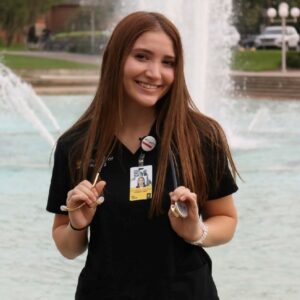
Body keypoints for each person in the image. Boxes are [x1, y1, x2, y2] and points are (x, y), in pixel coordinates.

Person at [47, 11, 238, 300]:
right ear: (116, 58)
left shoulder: (201, 136)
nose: (155, 73)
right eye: (142, 57)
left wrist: (196, 231)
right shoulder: (76, 145)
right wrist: (78, 222)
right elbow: (68, 247)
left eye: (168, 63)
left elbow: (226, 219)